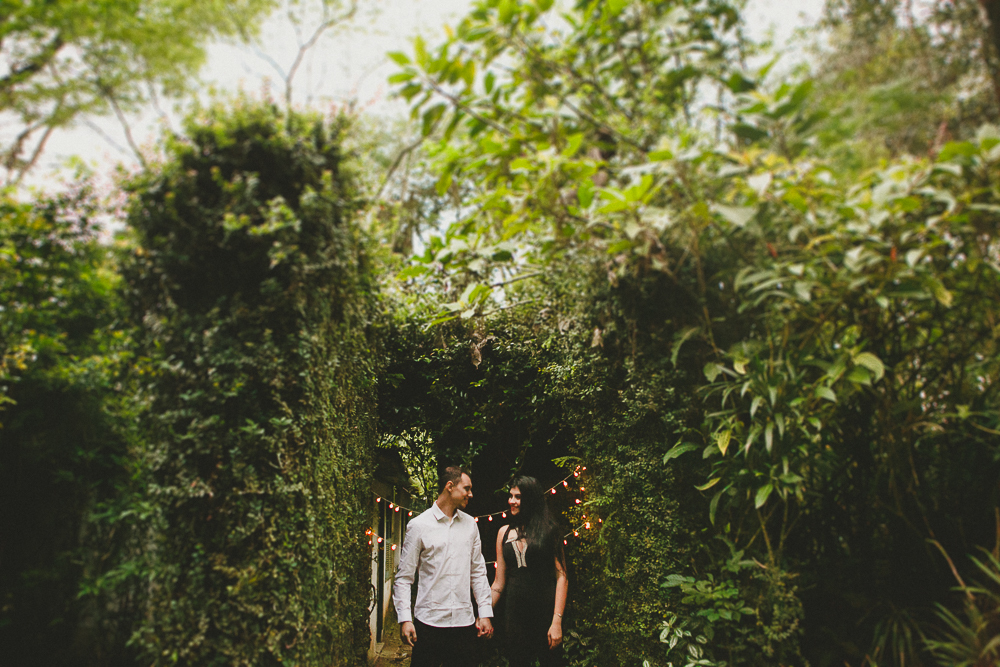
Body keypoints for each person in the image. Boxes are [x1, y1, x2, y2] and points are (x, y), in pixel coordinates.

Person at [392, 465, 494, 667]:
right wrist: (405, 619)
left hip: (464, 625)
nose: (471, 494)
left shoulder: (470, 525)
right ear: (450, 486)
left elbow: (478, 572)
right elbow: (404, 578)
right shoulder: (418, 526)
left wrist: (484, 613)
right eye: (466, 488)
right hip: (428, 624)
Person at [490, 476, 568, 667]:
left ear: (530, 499)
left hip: (545, 615)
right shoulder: (503, 533)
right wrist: (484, 613)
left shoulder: (549, 531)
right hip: (515, 617)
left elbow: (562, 577)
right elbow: (498, 584)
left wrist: (556, 621)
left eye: (517, 497)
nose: (511, 501)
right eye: (510, 496)